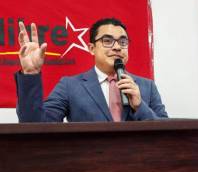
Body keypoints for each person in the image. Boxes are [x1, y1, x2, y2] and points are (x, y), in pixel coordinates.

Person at [15, 18, 168, 122]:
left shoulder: (147, 87)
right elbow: (35, 124)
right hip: (87, 167)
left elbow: (166, 134)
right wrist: (30, 74)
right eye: (107, 41)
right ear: (91, 48)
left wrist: (140, 106)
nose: (117, 47)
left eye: (123, 41)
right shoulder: (70, 86)